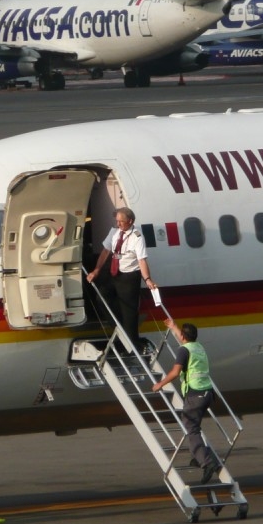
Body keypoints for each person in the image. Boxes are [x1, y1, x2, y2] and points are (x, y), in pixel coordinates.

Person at [152, 318, 218, 485]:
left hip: (194, 395)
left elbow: (175, 372)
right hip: (208, 393)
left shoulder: (183, 350)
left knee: (191, 429)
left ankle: (206, 462)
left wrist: (160, 384)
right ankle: (198, 456)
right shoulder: (198, 347)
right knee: (194, 427)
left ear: (182, 336)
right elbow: (186, 345)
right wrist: (174, 327)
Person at [86, 207, 156, 348]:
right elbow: (106, 252)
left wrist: (148, 279)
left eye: (121, 222)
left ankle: (132, 344)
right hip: (114, 273)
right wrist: (96, 270)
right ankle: (120, 328)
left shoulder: (137, 237)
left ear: (130, 221)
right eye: (117, 221)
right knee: (102, 298)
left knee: (129, 311)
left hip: (129, 276)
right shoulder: (115, 232)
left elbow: (142, 260)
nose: (118, 224)